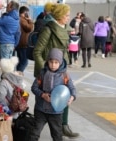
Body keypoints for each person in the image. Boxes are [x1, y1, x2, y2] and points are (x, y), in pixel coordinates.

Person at [33, 3, 79, 138]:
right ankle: (39, 128)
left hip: (61, 70)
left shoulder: (66, 29)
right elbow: (37, 51)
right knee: (44, 102)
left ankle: (63, 126)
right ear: (59, 16)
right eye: (66, 15)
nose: (68, 18)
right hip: (47, 71)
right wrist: (46, 71)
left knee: (64, 97)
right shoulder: (48, 30)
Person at [31, 48, 77, 141]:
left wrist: (72, 97)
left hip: (56, 112)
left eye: (56, 62)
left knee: (57, 135)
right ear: (47, 61)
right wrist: (42, 95)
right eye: (51, 62)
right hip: (41, 110)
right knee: (34, 133)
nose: (53, 65)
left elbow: (72, 88)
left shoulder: (65, 75)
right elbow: (34, 88)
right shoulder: (42, 73)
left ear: (60, 62)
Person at [0, 0, 21, 68]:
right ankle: (6, 77)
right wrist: (15, 44)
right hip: (11, 44)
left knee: (5, 67)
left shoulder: (7, 18)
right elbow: (18, 33)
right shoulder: (16, 19)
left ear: (11, 8)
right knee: (8, 65)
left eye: (8, 6)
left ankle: (6, 78)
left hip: (4, 44)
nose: (6, 7)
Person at [16, 6, 34, 72]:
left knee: (21, 61)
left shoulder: (20, 19)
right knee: (24, 62)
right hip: (22, 44)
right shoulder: (22, 20)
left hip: (20, 43)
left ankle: (17, 73)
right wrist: (30, 21)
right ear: (25, 12)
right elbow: (29, 29)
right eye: (27, 12)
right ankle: (18, 75)